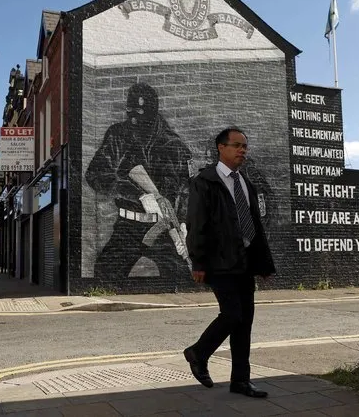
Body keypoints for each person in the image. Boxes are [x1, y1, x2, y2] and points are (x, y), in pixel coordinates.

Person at [184, 127, 275, 398]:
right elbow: (196, 223)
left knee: (245, 321)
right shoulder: (205, 181)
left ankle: (241, 381)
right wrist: (198, 262)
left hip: (244, 262)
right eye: (237, 145)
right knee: (232, 315)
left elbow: (255, 226)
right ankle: (198, 352)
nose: (242, 150)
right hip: (218, 261)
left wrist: (264, 265)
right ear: (221, 148)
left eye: (245, 146)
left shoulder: (247, 184)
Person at [85, 82, 193, 279]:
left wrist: (183, 224)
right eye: (129, 111)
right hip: (127, 226)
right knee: (104, 272)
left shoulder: (174, 146)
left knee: (181, 275)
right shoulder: (118, 135)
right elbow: (95, 174)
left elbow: (187, 190)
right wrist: (140, 195)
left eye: (139, 112)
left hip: (163, 227)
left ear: (153, 112)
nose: (133, 118)